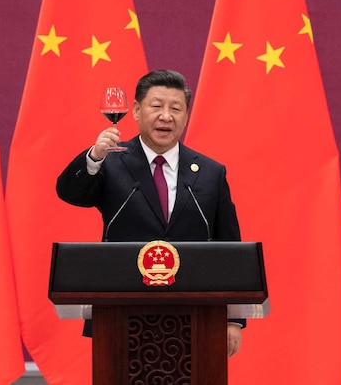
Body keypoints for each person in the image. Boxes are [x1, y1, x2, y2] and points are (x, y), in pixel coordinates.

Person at [56, 69, 245, 357]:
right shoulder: (111, 162)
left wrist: (233, 318)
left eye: (176, 108)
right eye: (156, 106)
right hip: (121, 313)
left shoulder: (210, 172)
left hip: (195, 314)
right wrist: (94, 158)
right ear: (136, 110)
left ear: (185, 115)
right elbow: (69, 192)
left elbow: (230, 247)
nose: (166, 116)